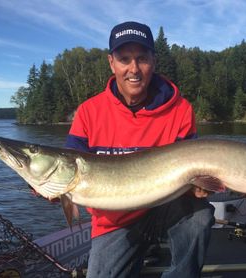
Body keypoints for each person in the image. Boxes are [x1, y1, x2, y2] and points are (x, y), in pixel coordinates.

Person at [66, 21, 215, 278]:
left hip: (167, 206)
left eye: (142, 58)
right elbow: (69, 165)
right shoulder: (89, 112)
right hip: (113, 222)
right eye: (125, 59)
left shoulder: (180, 110)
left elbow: (194, 167)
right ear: (111, 63)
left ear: (153, 62)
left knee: (199, 217)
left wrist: (201, 183)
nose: (133, 69)